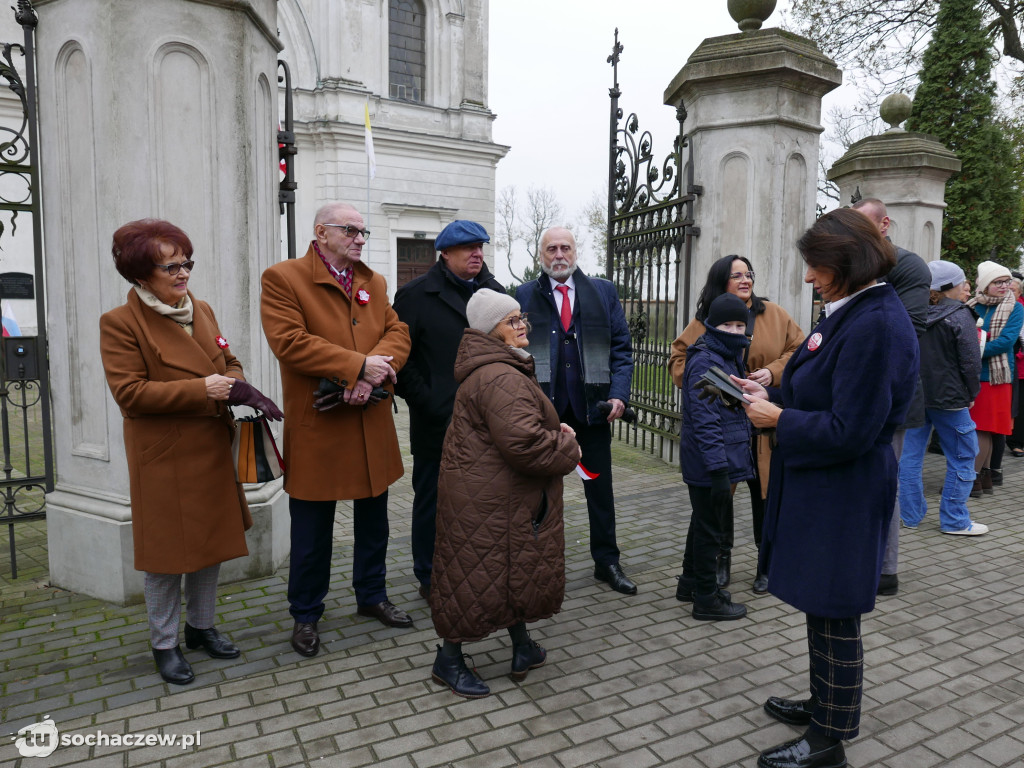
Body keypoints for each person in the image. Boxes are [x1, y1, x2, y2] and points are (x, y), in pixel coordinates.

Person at [735, 208, 918, 768]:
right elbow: (822, 386)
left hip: (846, 489)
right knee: (820, 604)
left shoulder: (876, 323)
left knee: (835, 611)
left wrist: (777, 421)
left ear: (847, 261)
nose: (809, 276)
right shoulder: (850, 311)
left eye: (817, 265)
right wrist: (773, 395)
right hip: (825, 487)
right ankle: (823, 702)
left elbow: (853, 429)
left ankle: (828, 741)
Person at [100, 219, 282, 685]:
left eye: (186, 263)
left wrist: (235, 383)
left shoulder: (199, 309)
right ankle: (164, 644)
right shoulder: (120, 324)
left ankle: (201, 627)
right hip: (164, 455)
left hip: (211, 447)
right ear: (141, 276)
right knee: (167, 557)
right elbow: (131, 394)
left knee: (210, 545)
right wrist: (204, 388)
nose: (182, 275)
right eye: (170, 267)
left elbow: (228, 359)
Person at [261, 202, 412, 658]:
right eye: (350, 230)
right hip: (321, 423)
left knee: (374, 523)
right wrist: (359, 366)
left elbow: (397, 332)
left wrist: (375, 372)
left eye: (363, 231)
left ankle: (372, 596)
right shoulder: (283, 278)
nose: (360, 238)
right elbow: (290, 342)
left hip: (369, 421)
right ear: (321, 231)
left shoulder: (374, 281)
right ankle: (305, 615)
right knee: (312, 531)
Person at [429, 289, 580, 698]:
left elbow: (517, 431)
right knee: (476, 574)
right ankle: (449, 659)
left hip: (493, 492)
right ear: (491, 331)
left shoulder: (498, 367)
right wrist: (568, 446)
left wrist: (551, 431)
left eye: (522, 318)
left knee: (506, 568)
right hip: (490, 496)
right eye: (512, 321)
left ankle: (522, 647)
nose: (522, 326)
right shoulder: (499, 375)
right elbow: (526, 444)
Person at [669, 255, 803, 593]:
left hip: (765, 428)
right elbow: (680, 360)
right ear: (721, 281)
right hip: (724, 429)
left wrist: (771, 372)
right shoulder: (704, 321)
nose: (745, 280)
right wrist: (721, 382)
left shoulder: (775, 314)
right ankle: (718, 563)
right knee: (716, 504)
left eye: (749, 274)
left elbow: (800, 351)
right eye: (736, 275)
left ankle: (767, 564)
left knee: (766, 498)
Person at [515, 227, 636, 595]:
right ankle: (536, 564)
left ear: (576, 251)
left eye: (565, 247)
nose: (559, 255)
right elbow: (516, 353)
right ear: (541, 255)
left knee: (599, 488)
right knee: (537, 493)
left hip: (591, 410)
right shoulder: (524, 295)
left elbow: (621, 349)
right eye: (551, 249)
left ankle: (607, 562)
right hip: (545, 414)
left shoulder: (602, 292)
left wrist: (618, 395)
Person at [393, 220, 505, 599]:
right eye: (467, 248)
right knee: (432, 501)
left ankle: (476, 568)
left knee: (481, 500)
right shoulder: (415, 295)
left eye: (480, 247)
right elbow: (401, 362)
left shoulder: (494, 293)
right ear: (445, 254)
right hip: (436, 422)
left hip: (488, 421)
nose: (477, 254)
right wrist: (429, 402)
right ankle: (428, 575)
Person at [852, 197, 930, 597]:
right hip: (851, 393)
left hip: (891, 397)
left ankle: (885, 570)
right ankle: (857, 557)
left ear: (885, 225)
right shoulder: (851, 263)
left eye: (864, 226)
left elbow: (910, 330)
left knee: (885, 481)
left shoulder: (908, 265)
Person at [677, 293, 755, 620]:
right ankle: (706, 599)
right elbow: (707, 422)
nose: (735, 331)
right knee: (711, 529)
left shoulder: (727, 356)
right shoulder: (706, 361)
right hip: (710, 462)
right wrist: (720, 471)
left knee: (703, 522)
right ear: (712, 325)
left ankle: (690, 582)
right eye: (728, 324)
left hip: (714, 460)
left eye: (740, 325)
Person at [898, 261, 986, 534]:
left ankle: (909, 516)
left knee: (909, 457)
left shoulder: (909, 312)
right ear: (949, 287)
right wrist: (972, 393)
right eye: (962, 282)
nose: (966, 286)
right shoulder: (961, 316)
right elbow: (971, 363)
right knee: (963, 456)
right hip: (951, 400)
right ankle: (955, 520)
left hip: (915, 395)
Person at [967, 260, 1024, 497]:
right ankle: (985, 478)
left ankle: (971, 480)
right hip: (974, 375)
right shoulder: (972, 305)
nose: (1004, 286)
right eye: (998, 282)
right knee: (984, 429)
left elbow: (1006, 342)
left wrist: (972, 349)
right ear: (986, 284)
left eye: (1006, 282)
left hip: (997, 376)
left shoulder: (1015, 307)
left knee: (982, 429)